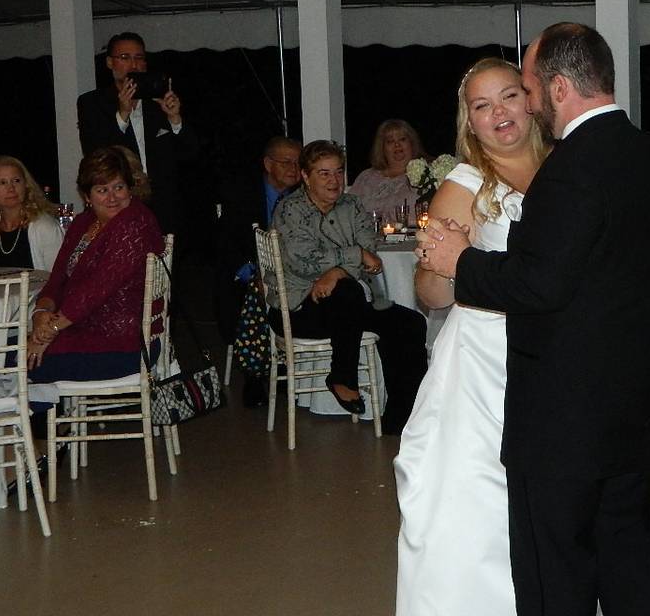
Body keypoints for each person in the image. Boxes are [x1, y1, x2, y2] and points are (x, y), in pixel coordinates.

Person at [418, 23, 650, 615]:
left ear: (557, 89)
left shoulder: (569, 169)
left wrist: (463, 260)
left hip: (566, 411)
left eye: (523, 90)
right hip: (631, 399)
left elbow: (541, 283)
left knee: (555, 565)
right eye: (484, 104)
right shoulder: (647, 156)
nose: (521, 105)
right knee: (630, 547)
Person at [394, 57, 547, 615]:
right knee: (475, 498)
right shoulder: (465, 182)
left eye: (508, 96)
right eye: (482, 106)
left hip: (555, 352)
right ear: (470, 121)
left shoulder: (567, 170)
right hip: (483, 359)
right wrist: (444, 261)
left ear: (531, 100)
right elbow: (430, 295)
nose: (498, 113)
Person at [268, 139, 426, 434]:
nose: (334, 180)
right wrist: (350, 260)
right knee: (348, 292)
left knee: (410, 323)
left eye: (338, 172)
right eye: (324, 173)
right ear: (305, 176)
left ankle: (404, 416)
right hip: (299, 309)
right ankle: (342, 377)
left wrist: (337, 271)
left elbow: (371, 253)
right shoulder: (290, 210)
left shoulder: (352, 206)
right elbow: (304, 261)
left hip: (345, 309)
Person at [27, 146, 164, 383]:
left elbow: (96, 290)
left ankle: (30, 414)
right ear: (87, 196)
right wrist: (41, 313)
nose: (112, 197)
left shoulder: (134, 224)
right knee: (4, 353)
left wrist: (50, 331)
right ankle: (35, 411)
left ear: (130, 189)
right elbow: (58, 278)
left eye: (118, 187)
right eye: (102, 190)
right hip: (80, 331)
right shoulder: (84, 223)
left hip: (122, 343)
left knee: (7, 361)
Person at [77, 31, 196, 235]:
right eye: (124, 58)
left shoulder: (159, 103)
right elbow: (95, 155)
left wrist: (175, 120)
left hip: (166, 211)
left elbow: (190, 155)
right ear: (109, 63)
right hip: (119, 208)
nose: (133, 64)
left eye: (139, 58)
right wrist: (122, 114)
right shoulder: (92, 103)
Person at [214, 136, 302, 407]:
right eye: (286, 162)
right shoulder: (241, 193)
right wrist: (252, 273)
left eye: (298, 163)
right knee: (256, 292)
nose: (293, 168)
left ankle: (288, 367)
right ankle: (256, 375)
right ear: (267, 164)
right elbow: (223, 241)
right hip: (247, 274)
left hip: (291, 276)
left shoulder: (302, 197)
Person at [0, 155, 63, 270]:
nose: (11, 188)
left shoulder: (45, 227)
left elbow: (59, 279)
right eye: (2, 183)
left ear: (26, 185)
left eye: (16, 180)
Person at [348, 119, 427, 219]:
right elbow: (348, 209)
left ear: (412, 143)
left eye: (402, 139)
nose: (397, 145)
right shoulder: (366, 177)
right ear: (382, 148)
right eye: (390, 141)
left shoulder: (426, 176)